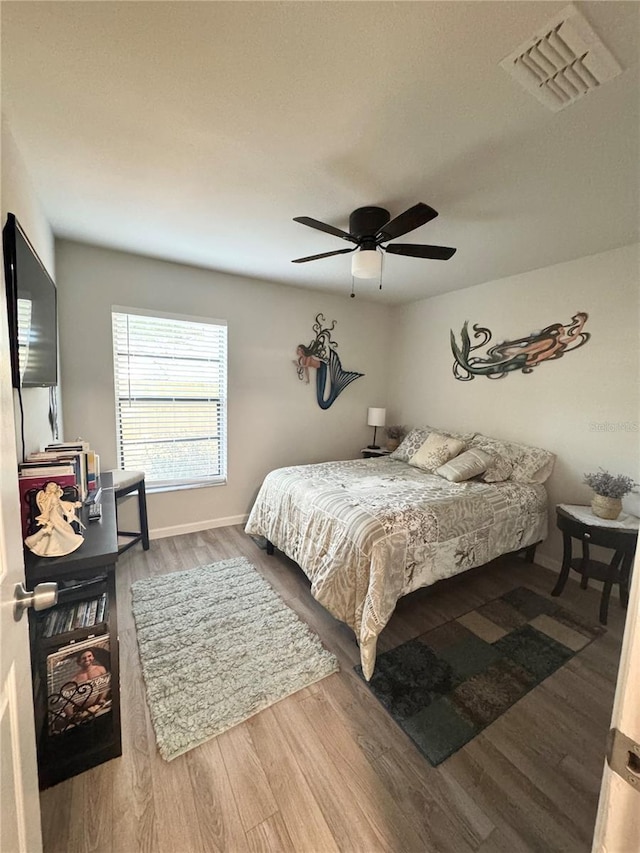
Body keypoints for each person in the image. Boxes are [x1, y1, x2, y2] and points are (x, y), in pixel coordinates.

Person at [24, 481, 85, 557]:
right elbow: (47, 507)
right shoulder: (48, 497)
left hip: (58, 513)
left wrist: (73, 505)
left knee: (62, 528)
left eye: (55, 486)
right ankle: (54, 547)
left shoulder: (55, 496)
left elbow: (62, 503)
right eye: (51, 486)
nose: (54, 487)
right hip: (53, 515)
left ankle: (59, 544)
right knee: (57, 528)